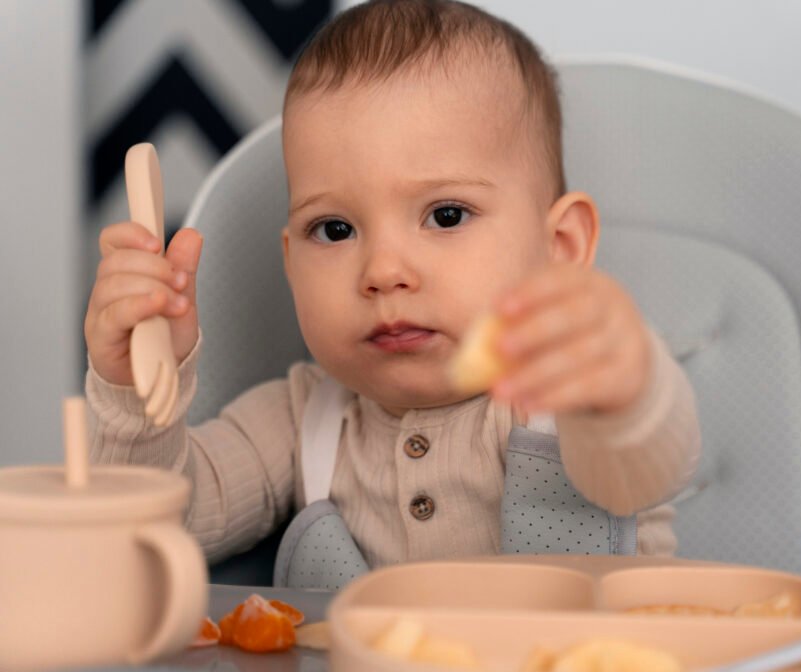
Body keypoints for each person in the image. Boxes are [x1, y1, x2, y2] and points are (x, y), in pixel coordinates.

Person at [83, 0, 701, 586]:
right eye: (335, 229)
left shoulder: (562, 395)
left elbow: (644, 464)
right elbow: (157, 528)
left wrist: (623, 382)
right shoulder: (303, 421)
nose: (383, 271)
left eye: (447, 215)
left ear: (560, 248)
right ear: (292, 264)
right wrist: (137, 395)